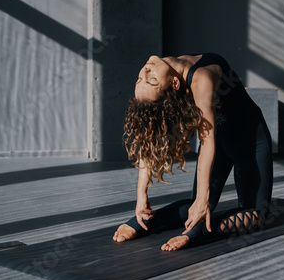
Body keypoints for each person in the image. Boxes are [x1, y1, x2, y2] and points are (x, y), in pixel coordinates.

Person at [113, 53, 273, 251]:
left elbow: (207, 141)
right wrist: (141, 196)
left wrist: (203, 200)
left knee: (256, 215)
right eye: (146, 79)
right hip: (219, 144)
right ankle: (145, 221)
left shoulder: (201, 77)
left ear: (175, 83)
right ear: (174, 84)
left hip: (251, 142)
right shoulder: (171, 74)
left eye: (147, 78)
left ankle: (201, 232)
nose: (145, 71)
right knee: (195, 204)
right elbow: (150, 138)